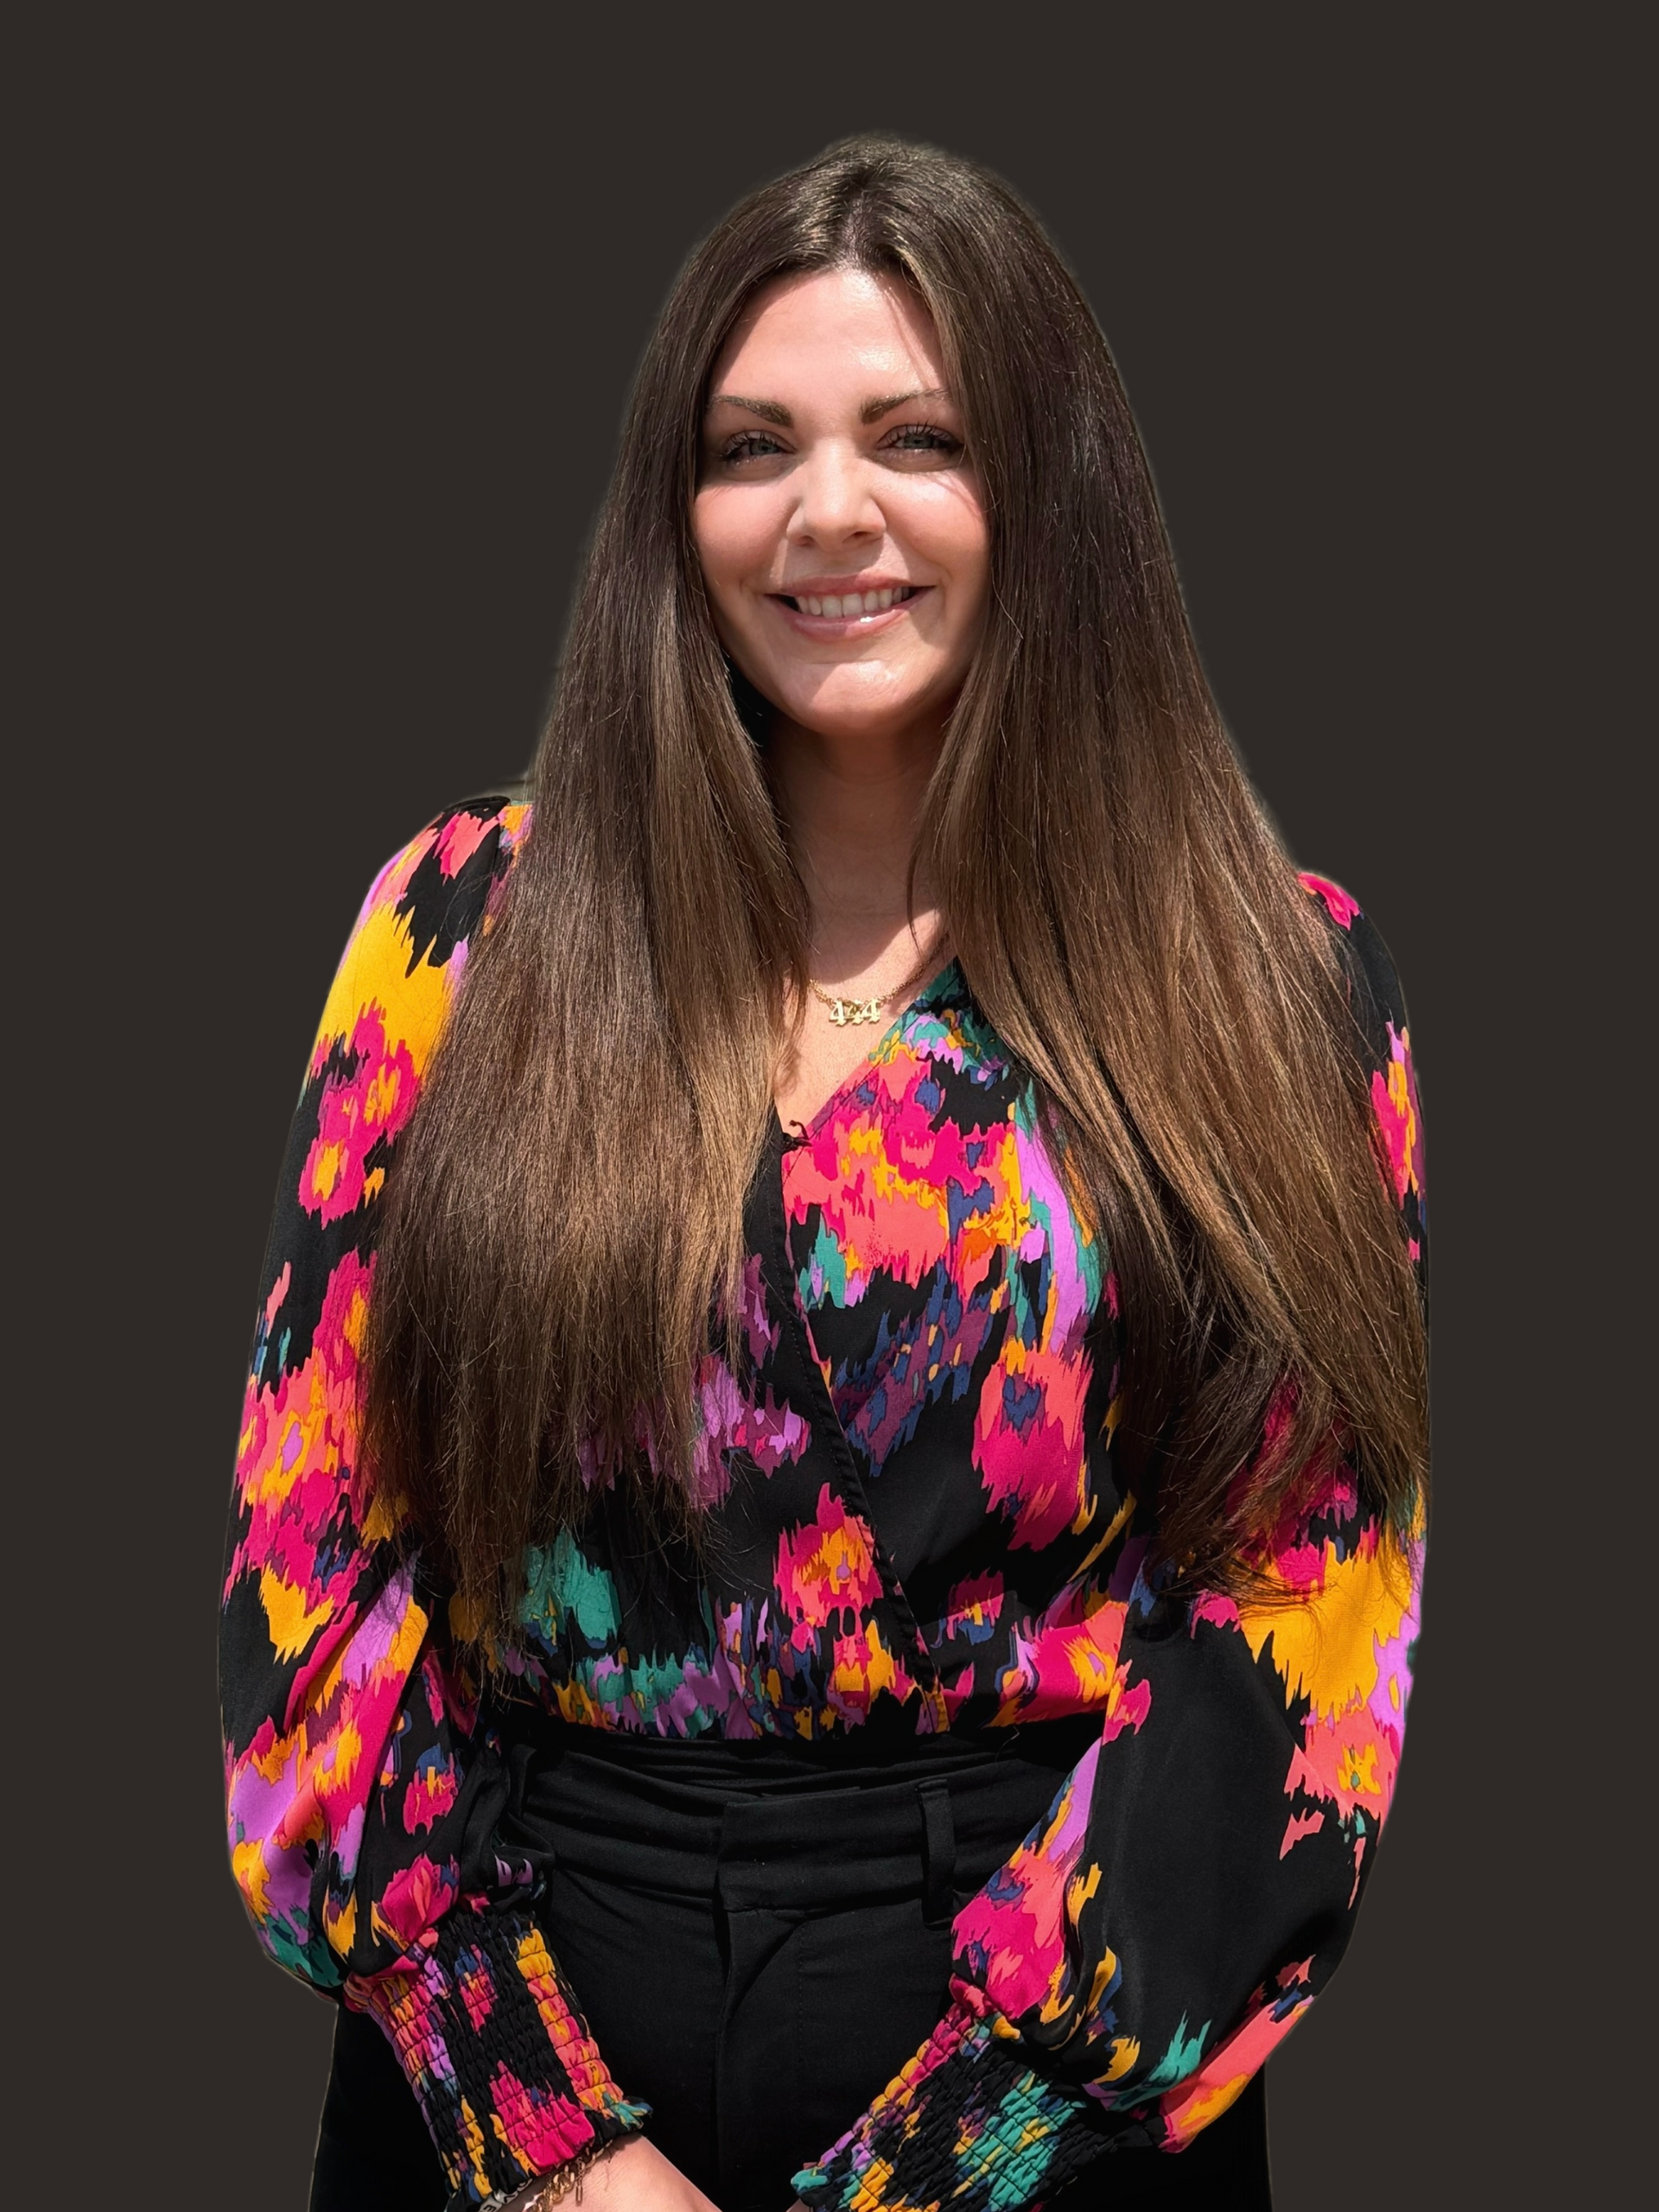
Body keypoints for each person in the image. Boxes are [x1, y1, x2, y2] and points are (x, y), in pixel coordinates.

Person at [219, 137, 1428, 2212]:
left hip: (1056, 2051)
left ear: (1049, 493)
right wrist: (544, 2132)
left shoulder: (1270, 973)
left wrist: (967, 2153)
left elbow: (1304, 1619)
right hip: (515, 2001)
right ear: (670, 517)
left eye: (919, 437)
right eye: (751, 446)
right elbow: (309, 1553)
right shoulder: (462, 929)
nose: (828, 512)